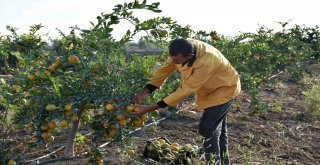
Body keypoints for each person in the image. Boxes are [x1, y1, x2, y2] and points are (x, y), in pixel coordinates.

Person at [130, 38, 241, 164]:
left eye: (176, 60)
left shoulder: (207, 60)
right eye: (172, 58)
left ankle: (214, 163)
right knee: (217, 131)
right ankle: (223, 162)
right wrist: (143, 93)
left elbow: (185, 90)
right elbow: (163, 71)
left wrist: (149, 108)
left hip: (225, 89)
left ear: (189, 56)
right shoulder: (180, 49)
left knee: (207, 129)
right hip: (210, 89)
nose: (173, 62)